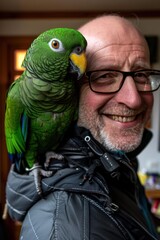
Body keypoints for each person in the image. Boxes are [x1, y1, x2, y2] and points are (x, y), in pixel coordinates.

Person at [6, 15, 160, 239]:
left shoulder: (117, 163)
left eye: (141, 74)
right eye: (105, 76)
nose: (133, 99)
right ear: (76, 87)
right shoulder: (62, 229)